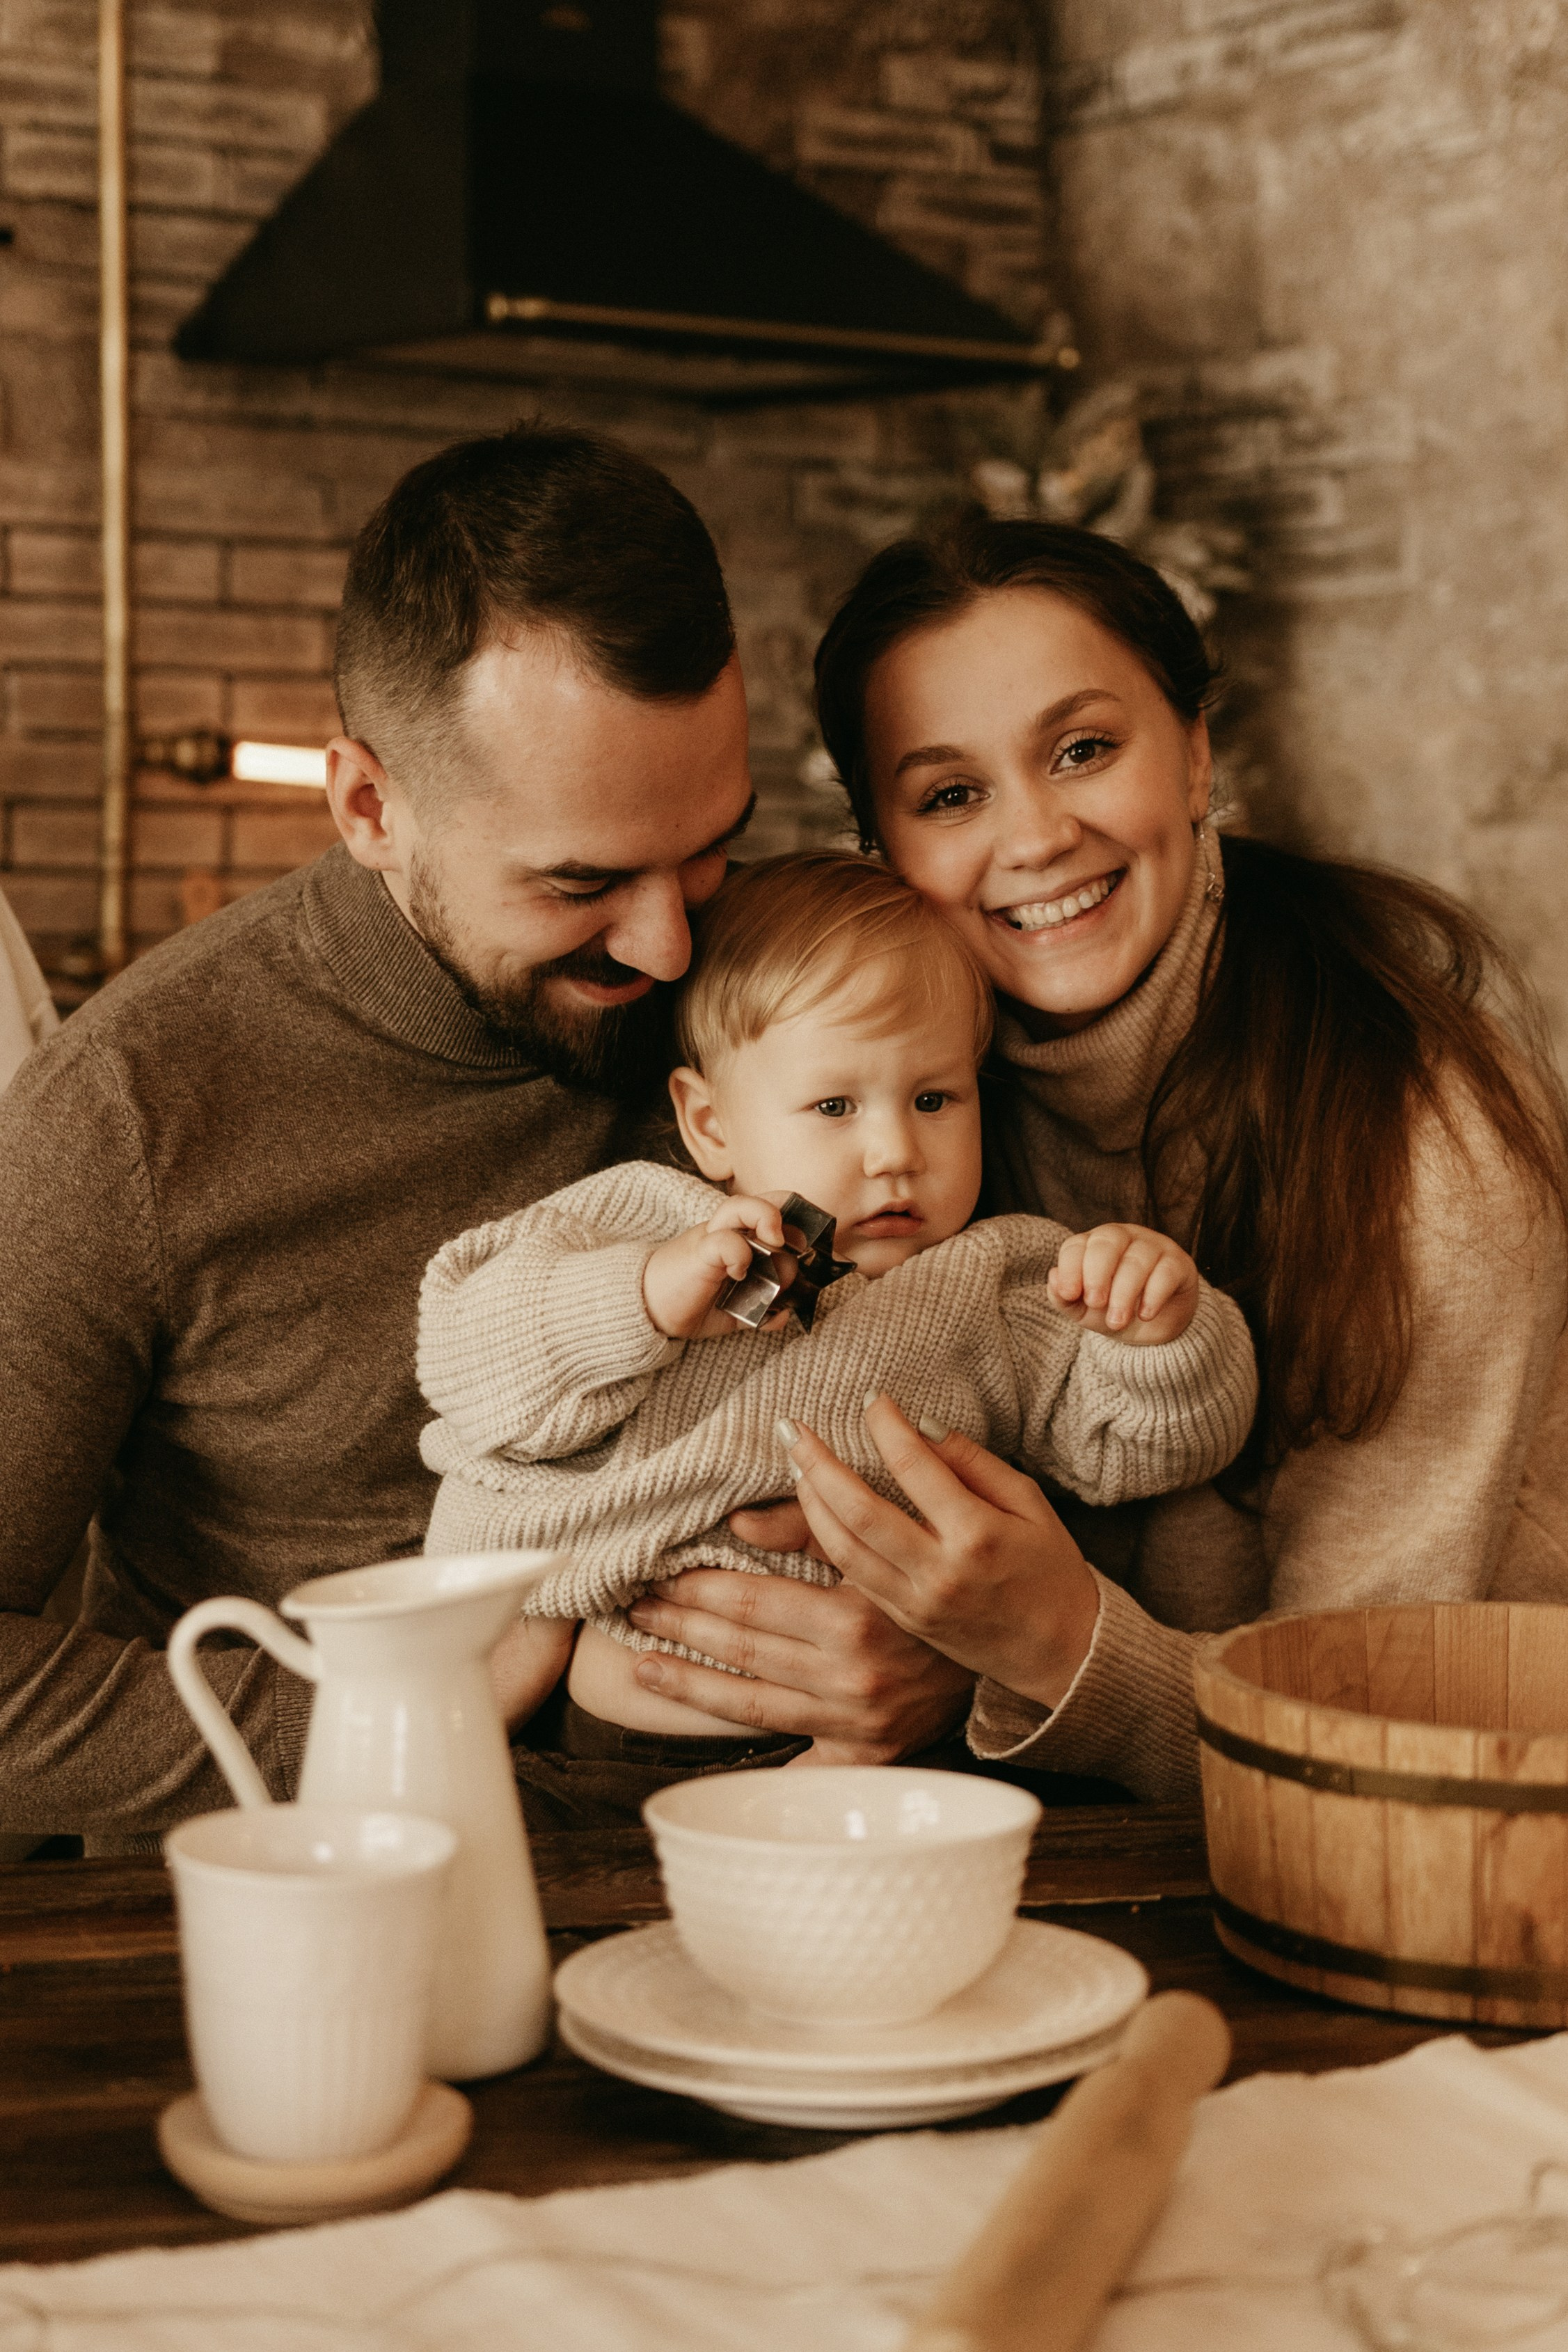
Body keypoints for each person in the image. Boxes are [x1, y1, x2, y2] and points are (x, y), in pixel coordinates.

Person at [0, 425, 963, 1842]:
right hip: (353, 1891)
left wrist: (951, 1660)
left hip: (826, 1837)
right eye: (582, 883)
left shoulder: (790, 987)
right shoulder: (128, 1114)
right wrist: (405, 1727)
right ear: (370, 807)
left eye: (707, 847)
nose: (670, 937)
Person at [623, 517, 1568, 1803]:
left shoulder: (1421, 1135)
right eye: (951, 794)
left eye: (1083, 750)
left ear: (1193, 755)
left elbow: (1373, 1732)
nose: (1034, 838)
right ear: (882, 849)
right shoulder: (879, 1108)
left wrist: (1030, 1655)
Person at [414, 853, 1257, 1804]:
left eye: (935, 1099)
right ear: (710, 1124)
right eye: (833, 1106)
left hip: (882, 1750)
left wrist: (1157, 1335)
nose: (896, 1152)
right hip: (596, 1752)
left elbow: (1141, 1455)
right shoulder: (645, 1224)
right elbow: (465, 1358)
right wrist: (642, 1295)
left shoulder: (999, 1283)